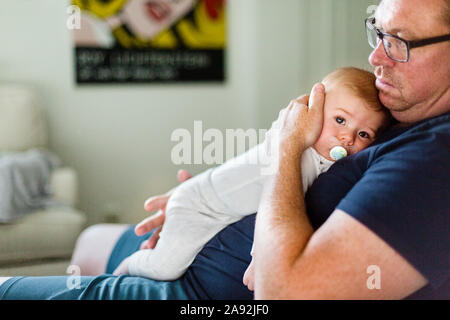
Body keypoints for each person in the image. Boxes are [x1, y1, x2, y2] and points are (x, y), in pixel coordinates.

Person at [0, 0, 448, 300]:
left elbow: (281, 292)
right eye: (377, 32)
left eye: (400, 42)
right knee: (90, 240)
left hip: (196, 293)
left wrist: (288, 146)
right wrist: (204, 194)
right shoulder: (398, 111)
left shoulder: (435, 162)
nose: (377, 58)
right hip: (203, 230)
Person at [111, 67, 392, 288]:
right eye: (340, 120)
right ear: (313, 111)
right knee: (167, 268)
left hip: (218, 206)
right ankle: (129, 266)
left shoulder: (324, 159)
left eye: (364, 134)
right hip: (199, 208)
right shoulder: (297, 155)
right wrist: (262, 261)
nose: (348, 137)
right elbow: (274, 205)